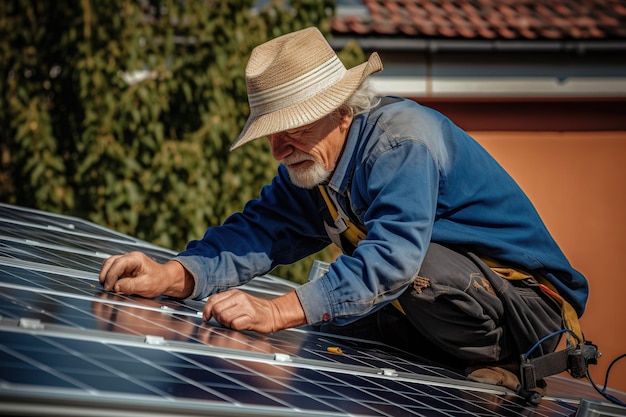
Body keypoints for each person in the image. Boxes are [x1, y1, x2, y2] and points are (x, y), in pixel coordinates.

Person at [99, 27, 588, 393]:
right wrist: (175, 274)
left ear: (340, 109)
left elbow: (393, 259)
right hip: (456, 303)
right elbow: (260, 231)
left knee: (406, 271)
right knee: (334, 319)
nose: (278, 149)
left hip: (527, 311)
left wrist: (277, 310)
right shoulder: (316, 170)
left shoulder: (401, 141)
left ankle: (502, 361)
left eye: (292, 129)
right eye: (271, 134)